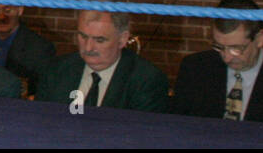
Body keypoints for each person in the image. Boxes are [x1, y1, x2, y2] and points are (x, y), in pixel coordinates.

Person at [35, 6, 169, 112]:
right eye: (83, 36)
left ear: (122, 39)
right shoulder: (56, 71)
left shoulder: (146, 81)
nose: (88, 48)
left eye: (99, 40)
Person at [170, 0, 263, 122]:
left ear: (260, 39)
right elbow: (177, 126)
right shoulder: (195, 68)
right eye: (219, 47)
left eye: (236, 48)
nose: (227, 57)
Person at [0, 0, 55, 96]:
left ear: (20, 10)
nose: (1, 17)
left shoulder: (40, 48)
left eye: (7, 10)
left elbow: (44, 94)